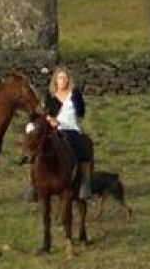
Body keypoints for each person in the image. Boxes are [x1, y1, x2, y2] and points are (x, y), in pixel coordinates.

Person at [44, 66, 93, 200]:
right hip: (55, 128)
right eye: (60, 78)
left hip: (71, 128)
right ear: (55, 80)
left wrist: (75, 121)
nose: (63, 80)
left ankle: (85, 182)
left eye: (65, 78)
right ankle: (34, 183)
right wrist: (51, 120)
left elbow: (81, 112)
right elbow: (46, 113)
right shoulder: (51, 95)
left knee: (82, 148)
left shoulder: (75, 94)